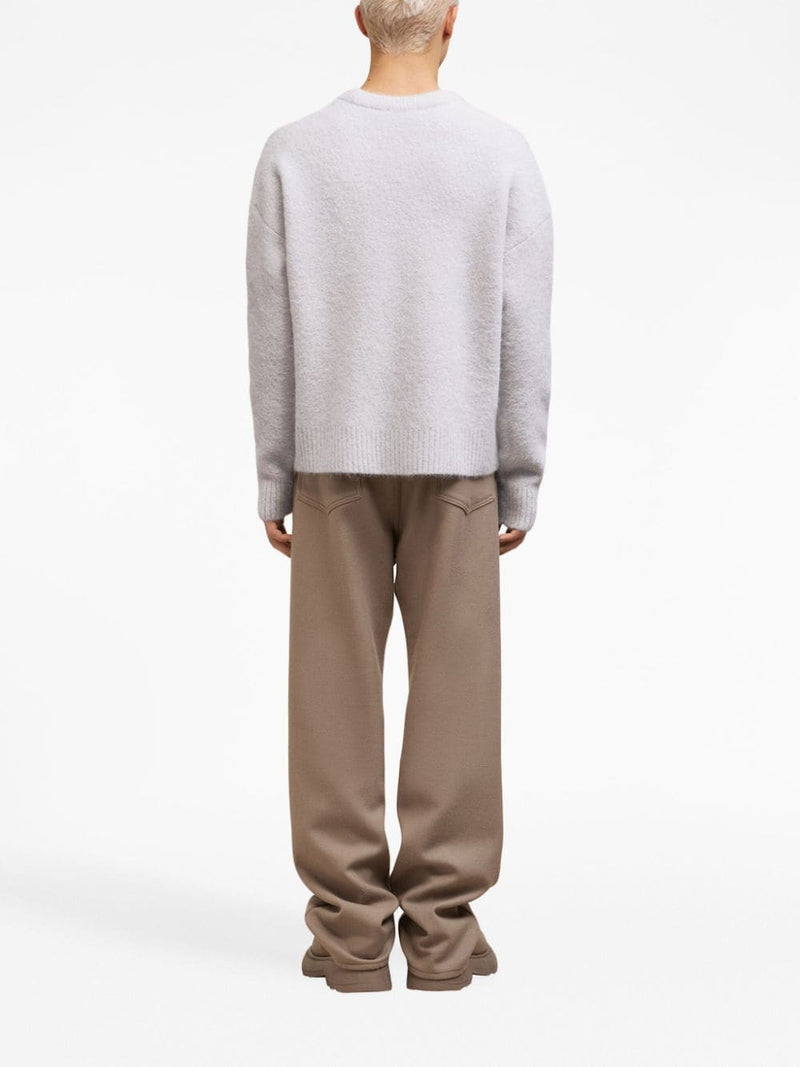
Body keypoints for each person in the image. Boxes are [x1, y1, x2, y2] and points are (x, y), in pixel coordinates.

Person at [246, 0, 553, 993]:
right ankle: (443, 936)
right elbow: (523, 325)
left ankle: (347, 937)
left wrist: (276, 468)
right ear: (451, 19)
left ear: (358, 19)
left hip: (331, 462)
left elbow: (271, 326)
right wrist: (519, 472)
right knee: (457, 697)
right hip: (458, 462)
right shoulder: (497, 154)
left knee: (329, 696)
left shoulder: (295, 153)